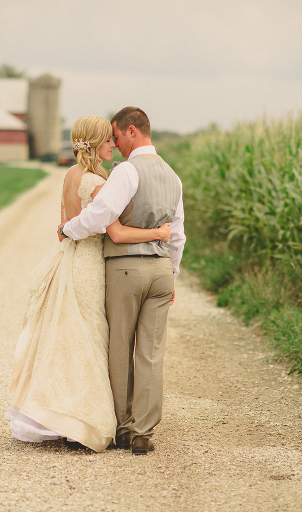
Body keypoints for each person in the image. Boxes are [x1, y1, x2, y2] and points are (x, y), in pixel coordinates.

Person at [4, 115, 170, 453]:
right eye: (108, 140)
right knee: (92, 341)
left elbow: (63, 227)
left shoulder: (70, 175)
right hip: (92, 265)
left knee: (69, 339)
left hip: (70, 258)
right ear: (94, 144)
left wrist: (70, 232)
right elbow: (116, 232)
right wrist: (158, 232)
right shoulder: (97, 181)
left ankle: (65, 418)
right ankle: (82, 422)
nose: (113, 145)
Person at [59, 107, 186, 455]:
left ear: (132, 131)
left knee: (120, 348)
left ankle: (124, 427)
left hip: (125, 269)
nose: (115, 143)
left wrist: (67, 230)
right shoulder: (173, 176)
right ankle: (144, 432)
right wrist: (172, 274)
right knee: (151, 353)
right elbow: (177, 235)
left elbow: (101, 215)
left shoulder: (127, 171)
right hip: (161, 270)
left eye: (116, 136)